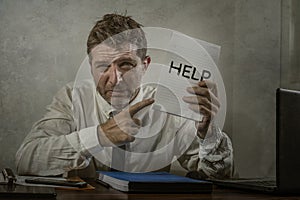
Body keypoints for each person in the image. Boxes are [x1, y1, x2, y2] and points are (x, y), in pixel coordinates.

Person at [16, 13, 233, 179]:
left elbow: (220, 177)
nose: (116, 79)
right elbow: (26, 160)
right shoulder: (72, 97)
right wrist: (101, 135)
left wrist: (209, 134)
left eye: (126, 64)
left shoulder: (170, 103)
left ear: (145, 65)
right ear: (90, 66)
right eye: (103, 66)